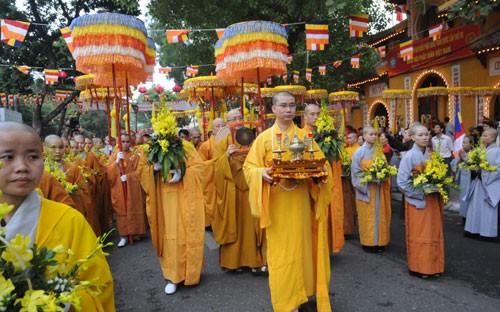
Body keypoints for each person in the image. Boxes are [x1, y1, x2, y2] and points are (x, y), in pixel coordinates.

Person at [0, 121, 115, 311]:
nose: (22, 166)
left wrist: (61, 303)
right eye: (8, 157)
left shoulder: (69, 220)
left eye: (32, 156)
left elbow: (99, 288)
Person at [243, 91, 333, 312]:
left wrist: (320, 172)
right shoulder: (264, 138)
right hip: (277, 205)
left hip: (301, 203)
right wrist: (261, 173)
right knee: (282, 254)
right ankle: (286, 302)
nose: (288, 110)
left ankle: (301, 293)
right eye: (283, 105)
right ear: (273, 109)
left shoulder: (305, 136)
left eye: (292, 105)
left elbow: (323, 166)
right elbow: (249, 168)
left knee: (302, 248)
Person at [138, 136, 208, 295]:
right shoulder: (148, 149)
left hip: (185, 197)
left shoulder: (186, 146)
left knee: (187, 235)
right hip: (163, 201)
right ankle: (173, 277)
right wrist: (153, 170)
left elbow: (200, 168)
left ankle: (191, 272)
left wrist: (183, 172)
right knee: (170, 238)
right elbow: (141, 170)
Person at [212, 109, 266, 273]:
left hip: (251, 186)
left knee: (254, 225)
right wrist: (226, 156)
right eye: (233, 119)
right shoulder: (222, 142)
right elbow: (215, 167)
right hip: (232, 189)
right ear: (227, 123)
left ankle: (256, 260)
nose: (237, 120)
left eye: (239, 117)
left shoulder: (253, 138)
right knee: (234, 223)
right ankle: (234, 262)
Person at [397, 124, 444, 278]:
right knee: (420, 236)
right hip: (417, 202)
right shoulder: (409, 156)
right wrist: (421, 191)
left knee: (433, 233)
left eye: (426, 134)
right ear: (413, 137)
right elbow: (402, 183)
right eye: (421, 135)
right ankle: (418, 267)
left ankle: (433, 266)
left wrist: (438, 185)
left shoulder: (430, 154)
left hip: (431, 201)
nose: (424, 138)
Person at [302, 103, 344, 253]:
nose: (315, 117)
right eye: (312, 114)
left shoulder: (326, 135)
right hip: (309, 183)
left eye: (317, 114)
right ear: (305, 116)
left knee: (328, 214)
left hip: (325, 181)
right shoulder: (302, 135)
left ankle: (326, 247)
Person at [351, 126, 391, 252]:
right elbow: (356, 173)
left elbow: (386, 168)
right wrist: (368, 179)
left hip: (379, 190)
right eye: (371, 134)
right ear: (364, 136)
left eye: (375, 134)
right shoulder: (359, 152)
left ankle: (381, 241)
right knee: (367, 217)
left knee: (381, 216)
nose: (374, 136)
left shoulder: (379, 151)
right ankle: (368, 243)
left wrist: (383, 176)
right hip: (367, 190)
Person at [44, 134, 94, 227]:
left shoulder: (73, 169)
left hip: (70, 211)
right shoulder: (40, 170)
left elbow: (84, 192)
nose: (58, 151)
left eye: (61, 147)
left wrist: (69, 191)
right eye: (53, 147)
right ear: (45, 148)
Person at [108, 134, 147, 247]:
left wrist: (129, 177)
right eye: (123, 141)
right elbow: (108, 174)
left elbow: (140, 172)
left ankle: (135, 233)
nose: (125, 144)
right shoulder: (114, 156)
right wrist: (116, 163)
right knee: (122, 210)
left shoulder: (135, 156)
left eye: (127, 141)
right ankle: (124, 235)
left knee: (133, 207)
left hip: (132, 187)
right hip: (119, 188)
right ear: (119, 143)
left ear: (131, 142)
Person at [463, 128, 500, 240]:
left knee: (487, 208)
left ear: (493, 138)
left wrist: (484, 172)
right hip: (478, 182)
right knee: (475, 206)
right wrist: (473, 168)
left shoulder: (497, 151)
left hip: (489, 183)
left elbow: (498, 169)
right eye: (482, 136)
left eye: (486, 136)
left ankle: (487, 233)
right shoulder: (479, 149)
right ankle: (473, 230)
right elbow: (471, 162)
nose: (483, 138)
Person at [450, 136, 472, 223]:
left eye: (466, 143)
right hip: (463, 179)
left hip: (470, 179)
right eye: (463, 143)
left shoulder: (474, 153)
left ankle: (469, 219)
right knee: (463, 198)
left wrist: (464, 158)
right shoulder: (461, 153)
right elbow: (453, 165)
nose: (464, 145)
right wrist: (459, 159)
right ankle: (463, 218)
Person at [343, 132, 360, 236]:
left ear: (356, 138)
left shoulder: (358, 150)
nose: (348, 140)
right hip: (347, 178)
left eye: (350, 138)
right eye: (347, 138)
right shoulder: (347, 150)